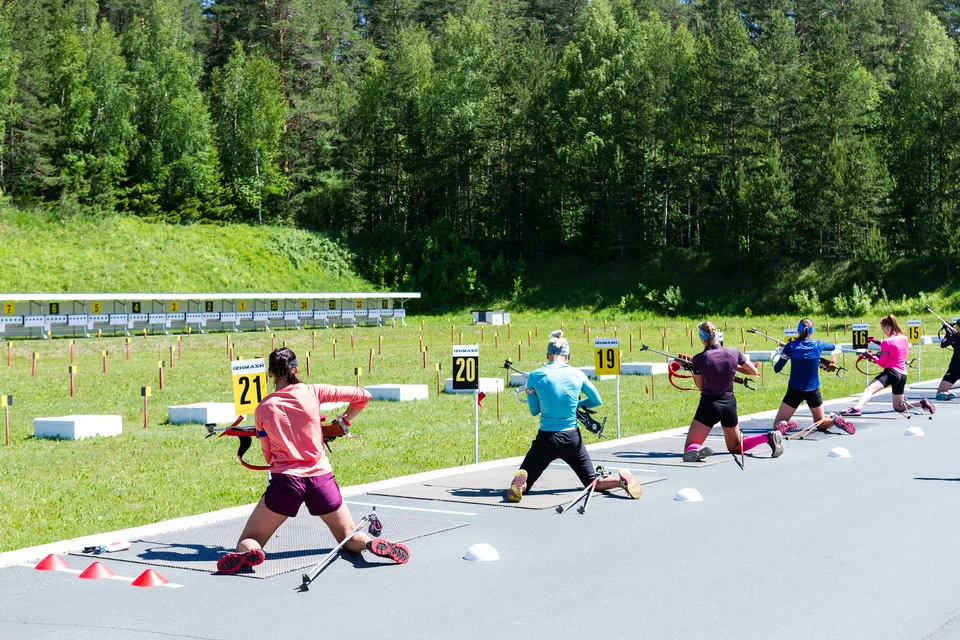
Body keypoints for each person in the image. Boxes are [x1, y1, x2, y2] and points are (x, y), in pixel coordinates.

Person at [216, 348, 409, 574]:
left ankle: (250, 553)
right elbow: (363, 395)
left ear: (270, 374)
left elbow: (268, 455)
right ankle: (368, 543)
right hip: (321, 480)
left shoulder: (263, 409)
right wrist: (344, 420)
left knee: (250, 537)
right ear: (296, 369)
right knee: (348, 536)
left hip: (286, 483)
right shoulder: (314, 391)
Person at [507, 330, 642, 503]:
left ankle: (520, 485)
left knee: (526, 481)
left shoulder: (535, 375)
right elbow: (596, 400)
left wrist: (534, 392)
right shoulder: (577, 374)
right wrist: (576, 405)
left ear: (548, 355)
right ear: (567, 356)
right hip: (572, 439)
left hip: (546, 440)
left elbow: (534, 411)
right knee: (592, 481)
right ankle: (620, 481)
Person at [683, 321, 782, 463]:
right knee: (736, 446)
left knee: (689, 447)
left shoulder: (698, 359)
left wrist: (693, 370)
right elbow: (753, 371)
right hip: (729, 404)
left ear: (702, 339)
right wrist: (731, 366)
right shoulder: (733, 352)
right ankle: (768, 437)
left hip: (709, 404)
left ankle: (697, 449)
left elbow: (701, 388)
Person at [770, 318, 857, 436]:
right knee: (820, 424)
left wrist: (785, 354)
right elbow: (832, 346)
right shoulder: (818, 344)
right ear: (811, 331)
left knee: (777, 423)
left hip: (794, 390)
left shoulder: (790, 346)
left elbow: (777, 369)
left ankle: (785, 424)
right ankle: (834, 421)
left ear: (798, 330)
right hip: (813, 390)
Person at [840, 314, 935, 417]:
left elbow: (883, 363)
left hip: (891, 373)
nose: (883, 332)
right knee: (898, 406)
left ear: (888, 327)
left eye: (883, 329)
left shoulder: (886, 342)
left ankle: (857, 408)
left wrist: (872, 357)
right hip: (902, 375)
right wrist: (877, 342)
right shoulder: (904, 338)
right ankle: (921, 403)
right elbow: (894, 346)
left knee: (869, 389)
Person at [934, 319, 960, 401]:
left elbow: (943, 344)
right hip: (954, 368)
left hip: (954, 368)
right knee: (939, 394)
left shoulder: (956, 337)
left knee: (939, 393)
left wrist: (948, 333)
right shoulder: (956, 336)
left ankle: (947, 394)